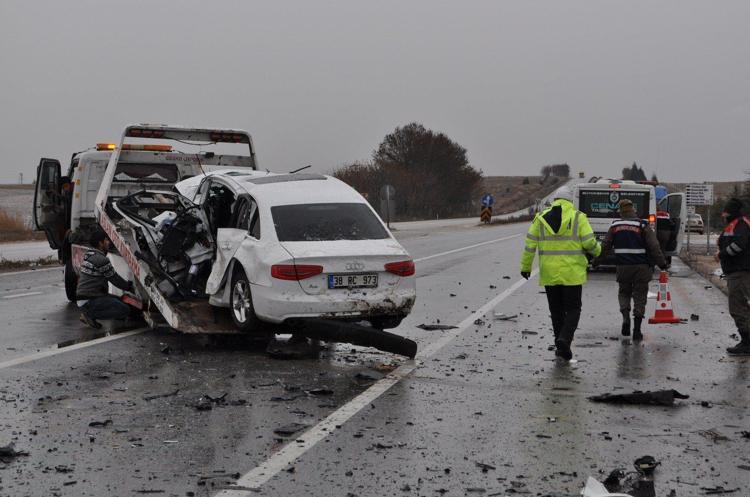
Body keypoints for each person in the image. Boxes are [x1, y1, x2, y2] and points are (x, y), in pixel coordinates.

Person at [519, 185, 601, 360]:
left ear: (555, 200)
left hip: (549, 274)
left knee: (556, 311)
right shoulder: (578, 217)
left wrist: (526, 267)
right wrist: (598, 252)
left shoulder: (540, 218)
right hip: (572, 274)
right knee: (573, 309)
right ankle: (564, 339)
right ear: (570, 201)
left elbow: (529, 245)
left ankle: (560, 346)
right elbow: (589, 243)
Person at [595, 199, 667, 341]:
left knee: (624, 293)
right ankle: (637, 330)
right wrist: (662, 264)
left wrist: (597, 261)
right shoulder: (642, 225)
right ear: (633, 210)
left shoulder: (615, 226)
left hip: (623, 267)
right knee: (640, 296)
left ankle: (626, 318)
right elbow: (654, 246)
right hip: (641, 267)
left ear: (621, 212)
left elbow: (605, 246)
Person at [77, 230, 135, 329]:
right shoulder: (101, 260)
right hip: (90, 300)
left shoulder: (89, 255)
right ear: (100, 243)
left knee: (119, 300)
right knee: (125, 310)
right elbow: (114, 279)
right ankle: (90, 315)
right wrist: (129, 286)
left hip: (83, 299)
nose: (108, 242)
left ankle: (88, 313)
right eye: (106, 240)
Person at [715, 198, 750, 355]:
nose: (723, 216)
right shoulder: (736, 224)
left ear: (732, 212)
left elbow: (739, 245)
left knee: (737, 307)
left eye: (726, 212)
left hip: (740, 272)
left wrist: (721, 254)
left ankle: (747, 342)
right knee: (741, 306)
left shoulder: (741, 224)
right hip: (735, 272)